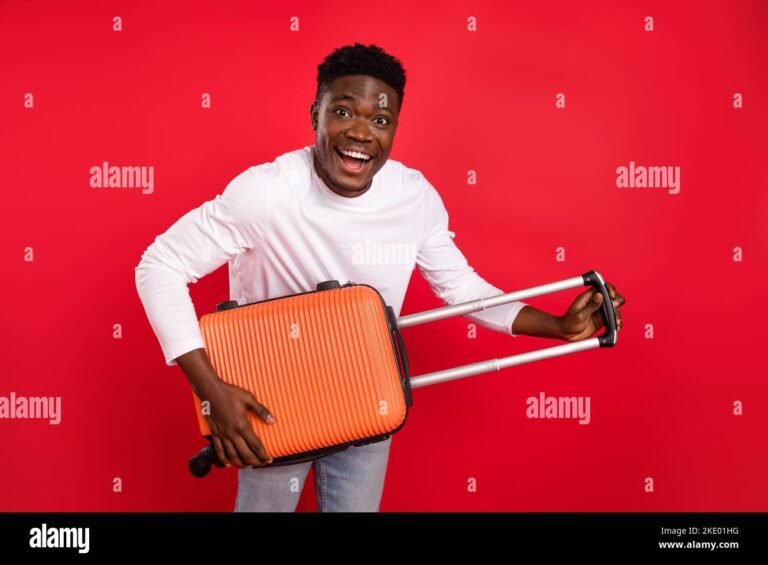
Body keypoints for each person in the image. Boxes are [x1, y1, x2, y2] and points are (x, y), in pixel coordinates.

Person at [135, 42, 626, 512]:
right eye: (343, 112)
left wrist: (557, 327)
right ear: (316, 115)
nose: (361, 132)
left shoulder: (414, 197)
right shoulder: (266, 192)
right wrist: (212, 391)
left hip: (367, 394)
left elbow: (462, 289)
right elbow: (160, 265)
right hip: (268, 404)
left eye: (381, 120)